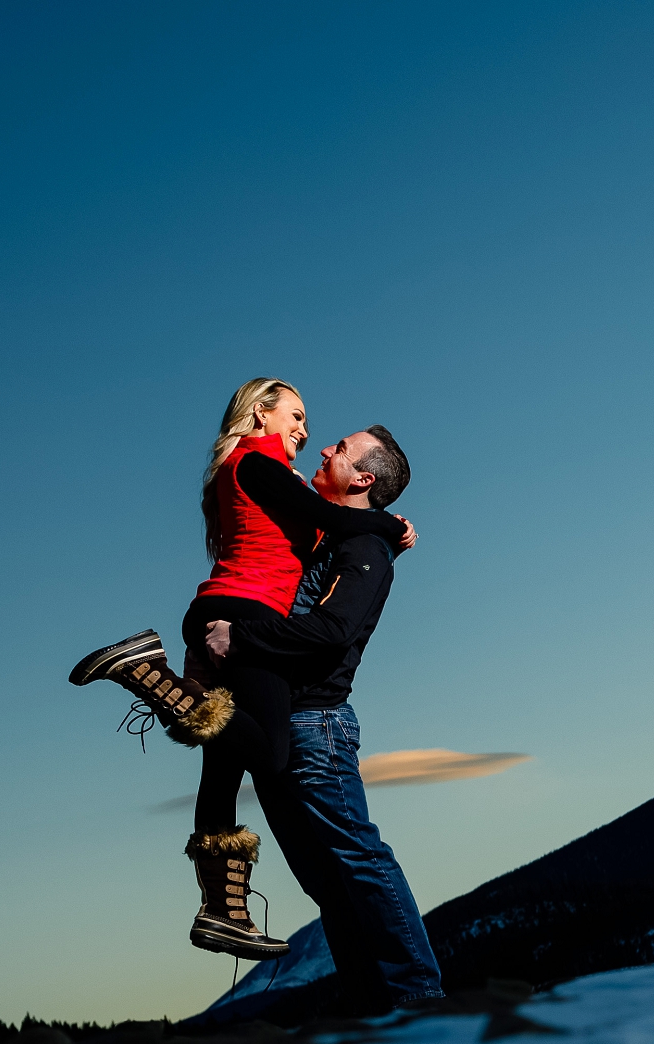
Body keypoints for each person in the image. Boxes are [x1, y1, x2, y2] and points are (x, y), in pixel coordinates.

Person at [65, 379, 414, 957]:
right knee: (270, 752)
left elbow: (326, 524)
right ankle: (145, 673)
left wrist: (378, 538)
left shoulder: (268, 471)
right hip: (243, 615)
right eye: (296, 416)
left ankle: (224, 910)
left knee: (222, 774)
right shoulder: (256, 461)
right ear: (260, 413)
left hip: (227, 612)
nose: (310, 433)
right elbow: (337, 520)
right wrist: (388, 524)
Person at [206, 426, 446, 1011]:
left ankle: (420, 999)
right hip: (279, 728)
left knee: (359, 860)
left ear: (363, 478)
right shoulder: (325, 536)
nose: (324, 450)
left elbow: (333, 631)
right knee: (327, 883)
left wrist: (242, 638)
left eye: (339, 449)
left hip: (317, 727)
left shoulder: (362, 551)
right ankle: (372, 1008)